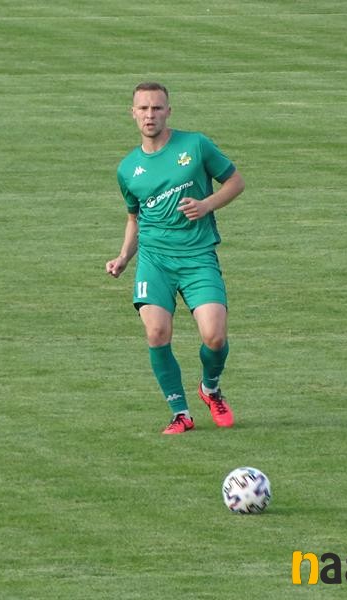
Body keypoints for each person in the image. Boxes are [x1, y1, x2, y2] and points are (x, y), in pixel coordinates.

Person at [106, 82, 245, 434]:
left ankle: (210, 389)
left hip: (198, 256)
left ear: (168, 111)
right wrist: (123, 257)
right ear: (132, 113)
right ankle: (180, 413)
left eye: (157, 108)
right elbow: (135, 218)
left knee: (215, 337)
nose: (150, 115)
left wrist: (206, 205)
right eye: (143, 108)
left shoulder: (195, 145)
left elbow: (235, 182)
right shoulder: (128, 169)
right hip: (155, 261)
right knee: (156, 332)